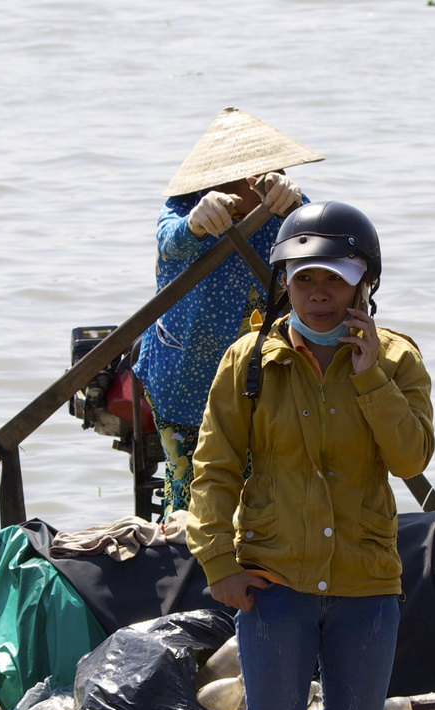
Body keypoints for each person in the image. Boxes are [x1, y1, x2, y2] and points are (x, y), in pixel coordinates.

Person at [186, 202, 434, 710]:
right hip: (275, 587)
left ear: (363, 284)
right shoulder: (248, 361)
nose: (317, 294)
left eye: (334, 279)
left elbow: (411, 458)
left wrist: (369, 376)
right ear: (286, 285)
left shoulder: (397, 359)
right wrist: (219, 563)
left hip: (366, 587)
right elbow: (215, 469)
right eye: (303, 280)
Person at [135, 108, 321, 516]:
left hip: (263, 378)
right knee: (195, 496)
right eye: (235, 178)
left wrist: (294, 201)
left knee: (265, 491)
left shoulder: (286, 209)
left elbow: (322, 240)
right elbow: (170, 242)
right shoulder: (183, 209)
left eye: (257, 175)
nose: (247, 187)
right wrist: (196, 224)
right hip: (187, 378)